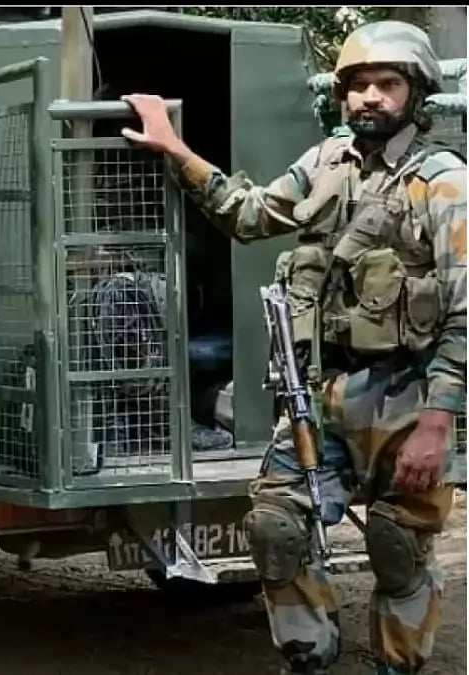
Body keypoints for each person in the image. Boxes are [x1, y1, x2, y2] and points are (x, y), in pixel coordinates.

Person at [122, 20, 465, 675]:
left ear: (415, 93)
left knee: (398, 547)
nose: (368, 97)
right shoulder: (325, 163)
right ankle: (309, 655)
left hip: (411, 395)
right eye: (356, 85)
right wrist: (174, 147)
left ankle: (398, 664)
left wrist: (439, 420)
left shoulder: (443, 182)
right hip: (326, 391)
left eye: (386, 84)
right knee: (276, 526)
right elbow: (247, 213)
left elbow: (466, 309)